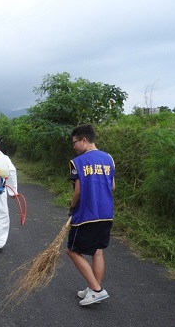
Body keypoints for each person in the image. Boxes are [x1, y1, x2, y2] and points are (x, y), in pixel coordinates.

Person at [66, 124, 115, 306]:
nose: (74, 146)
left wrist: (72, 207)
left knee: (72, 250)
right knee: (97, 251)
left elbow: (78, 191)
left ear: (84, 140)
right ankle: (94, 288)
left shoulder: (77, 162)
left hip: (87, 214)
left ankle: (96, 290)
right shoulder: (108, 158)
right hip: (106, 213)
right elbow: (112, 186)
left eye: (75, 142)